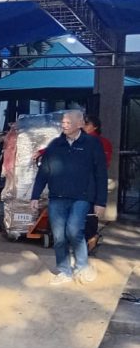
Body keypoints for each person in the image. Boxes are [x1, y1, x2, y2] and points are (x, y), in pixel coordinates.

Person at [30, 110, 108, 285]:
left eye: (68, 122)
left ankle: (82, 266)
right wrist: (35, 195)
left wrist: (100, 202)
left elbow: (101, 173)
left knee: (74, 231)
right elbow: (44, 171)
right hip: (57, 197)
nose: (64, 125)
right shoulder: (55, 145)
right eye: (63, 122)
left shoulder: (92, 144)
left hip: (82, 197)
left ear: (80, 123)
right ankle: (64, 271)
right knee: (58, 236)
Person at [82, 115, 112, 245]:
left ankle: (90, 238)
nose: (84, 126)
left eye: (87, 124)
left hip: (91, 181)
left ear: (95, 126)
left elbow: (102, 165)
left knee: (90, 212)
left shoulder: (101, 142)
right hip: (81, 181)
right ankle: (87, 238)